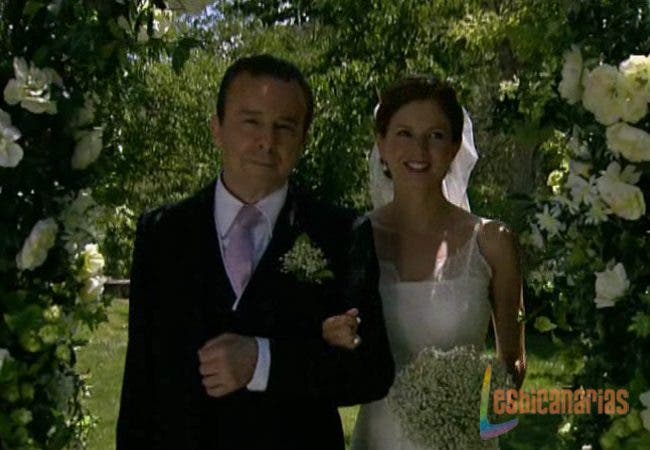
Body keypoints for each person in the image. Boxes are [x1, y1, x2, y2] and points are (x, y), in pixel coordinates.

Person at [116, 54, 395, 450]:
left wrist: (262, 361)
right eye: (252, 122)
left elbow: (371, 370)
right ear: (217, 127)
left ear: (304, 138)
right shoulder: (162, 234)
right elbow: (140, 383)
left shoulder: (341, 234)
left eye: (285, 126)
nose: (268, 141)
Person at [322, 76, 527, 450]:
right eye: (403, 133)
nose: (419, 149)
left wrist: (469, 416)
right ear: (381, 144)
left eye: (435, 135)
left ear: (453, 148)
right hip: (377, 439)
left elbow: (512, 364)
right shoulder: (349, 241)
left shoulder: (493, 242)